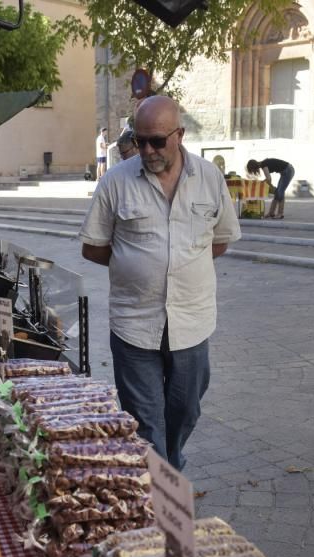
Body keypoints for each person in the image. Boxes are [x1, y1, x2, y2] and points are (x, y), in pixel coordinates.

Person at [80, 96, 241, 470]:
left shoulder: (209, 178)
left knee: (186, 410)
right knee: (145, 422)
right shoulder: (116, 182)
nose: (147, 150)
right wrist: (133, 265)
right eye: (140, 141)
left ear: (180, 135)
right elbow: (93, 247)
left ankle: (168, 465)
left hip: (192, 320)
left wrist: (180, 264)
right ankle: (160, 493)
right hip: (135, 323)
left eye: (157, 141)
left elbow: (221, 240)